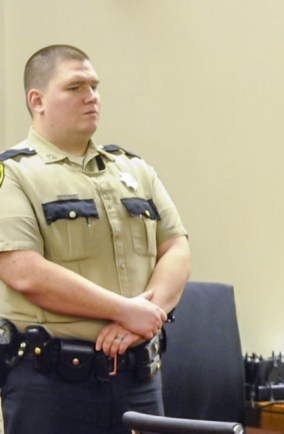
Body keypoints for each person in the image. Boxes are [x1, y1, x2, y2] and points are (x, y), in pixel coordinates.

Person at [0, 44, 191, 433]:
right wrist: (125, 310)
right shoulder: (15, 174)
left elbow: (176, 247)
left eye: (94, 86)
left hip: (138, 376)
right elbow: (23, 270)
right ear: (37, 100)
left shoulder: (134, 169)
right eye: (74, 87)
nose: (91, 97)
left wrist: (143, 321)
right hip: (52, 384)